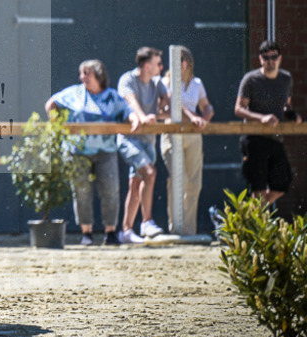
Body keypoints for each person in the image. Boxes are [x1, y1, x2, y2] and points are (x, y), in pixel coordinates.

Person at [45, 59, 139, 246]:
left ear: (98, 75)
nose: (82, 77)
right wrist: (58, 125)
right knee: (81, 192)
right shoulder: (74, 93)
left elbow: (127, 111)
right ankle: (86, 233)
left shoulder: (112, 96)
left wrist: (134, 119)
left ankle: (110, 232)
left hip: (106, 151)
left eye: (87, 73)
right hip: (77, 151)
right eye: (81, 73)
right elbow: (51, 104)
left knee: (111, 190)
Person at [234, 40, 302, 206]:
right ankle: (255, 219)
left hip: (275, 138)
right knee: (258, 188)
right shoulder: (251, 79)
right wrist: (261, 118)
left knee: (283, 182)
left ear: (280, 58)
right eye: (266, 57)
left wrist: (293, 115)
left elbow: (286, 105)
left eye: (274, 57)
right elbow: (238, 109)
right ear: (260, 59)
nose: (270, 60)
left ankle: (253, 212)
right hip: (254, 138)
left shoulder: (285, 79)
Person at [117, 47, 170, 244]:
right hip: (129, 139)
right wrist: (142, 116)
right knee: (150, 172)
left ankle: (126, 230)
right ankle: (147, 222)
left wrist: (162, 111)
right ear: (147, 66)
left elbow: (170, 102)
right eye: (158, 63)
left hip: (148, 140)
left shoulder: (157, 83)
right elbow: (130, 101)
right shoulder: (128, 79)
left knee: (136, 183)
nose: (161, 67)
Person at [160, 46, 214, 234]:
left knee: (193, 182)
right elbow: (173, 104)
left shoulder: (197, 83)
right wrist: (193, 117)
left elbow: (206, 107)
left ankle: (189, 230)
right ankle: (175, 228)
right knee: (178, 177)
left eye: (181, 59)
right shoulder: (165, 82)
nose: (178, 63)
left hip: (193, 136)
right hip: (172, 133)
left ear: (188, 62)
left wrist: (204, 119)